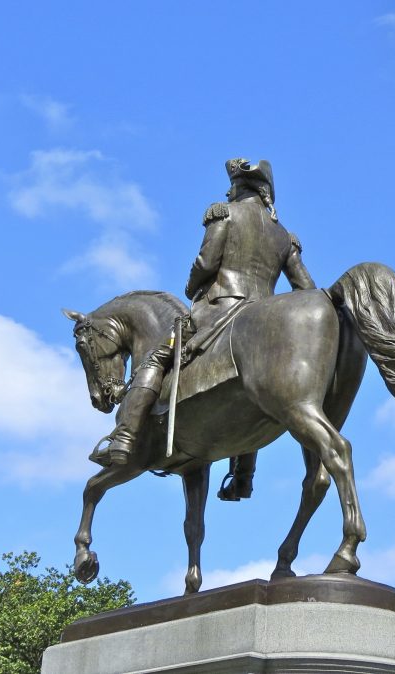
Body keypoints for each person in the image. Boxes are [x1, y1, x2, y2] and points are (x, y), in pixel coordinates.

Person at [94, 159, 315, 501]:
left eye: (232, 184)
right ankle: (243, 475)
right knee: (256, 385)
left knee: (155, 358)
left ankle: (124, 437)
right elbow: (305, 287)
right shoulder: (283, 235)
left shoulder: (223, 214)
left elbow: (206, 263)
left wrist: (191, 285)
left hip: (218, 309)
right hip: (262, 315)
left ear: (237, 187)